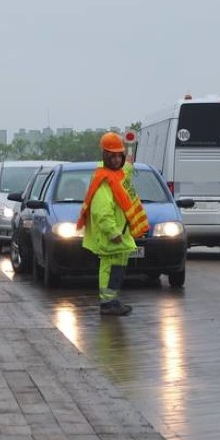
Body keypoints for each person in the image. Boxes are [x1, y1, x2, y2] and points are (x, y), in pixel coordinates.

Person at [76, 132, 149, 316]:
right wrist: (113, 232)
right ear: (106, 156)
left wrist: (130, 152)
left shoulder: (118, 174)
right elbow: (101, 212)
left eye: (119, 156)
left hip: (120, 233)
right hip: (113, 235)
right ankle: (107, 303)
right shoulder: (104, 180)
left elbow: (127, 170)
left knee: (118, 267)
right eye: (113, 156)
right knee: (109, 267)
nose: (117, 160)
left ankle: (112, 300)